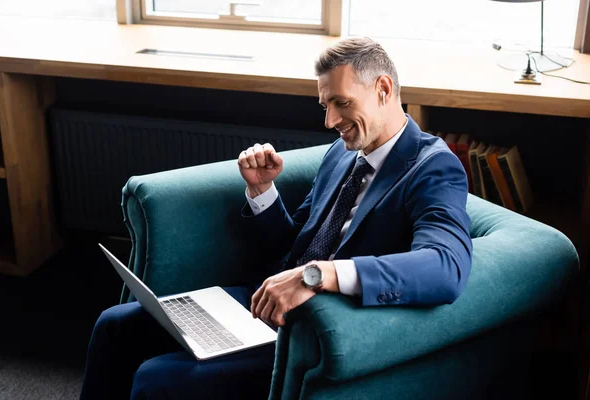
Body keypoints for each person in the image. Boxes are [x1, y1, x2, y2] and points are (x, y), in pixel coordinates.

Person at [79, 37, 472, 400]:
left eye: (341, 103)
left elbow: (445, 267)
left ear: (384, 89)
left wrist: (317, 275)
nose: (329, 121)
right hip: (264, 303)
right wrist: (262, 191)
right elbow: (294, 244)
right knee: (114, 325)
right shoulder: (342, 153)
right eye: (325, 106)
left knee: (155, 378)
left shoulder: (434, 168)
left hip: (317, 330)